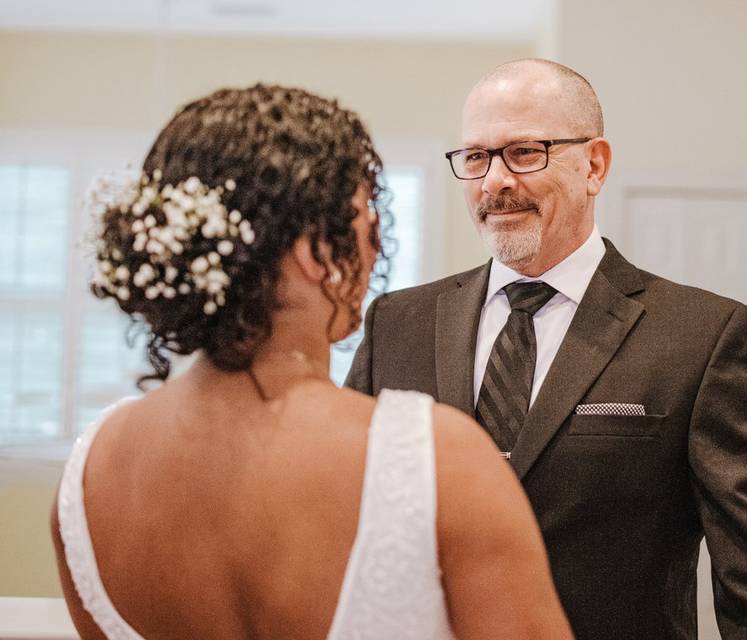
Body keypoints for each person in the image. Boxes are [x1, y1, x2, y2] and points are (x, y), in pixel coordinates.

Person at [50, 84, 573, 640]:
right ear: (312, 250)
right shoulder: (440, 459)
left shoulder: (88, 478)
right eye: (367, 216)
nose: (374, 249)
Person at [346, 59, 747, 639]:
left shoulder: (701, 337)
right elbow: (342, 523)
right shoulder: (396, 324)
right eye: (476, 157)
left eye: (525, 151)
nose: (495, 181)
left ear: (594, 166)